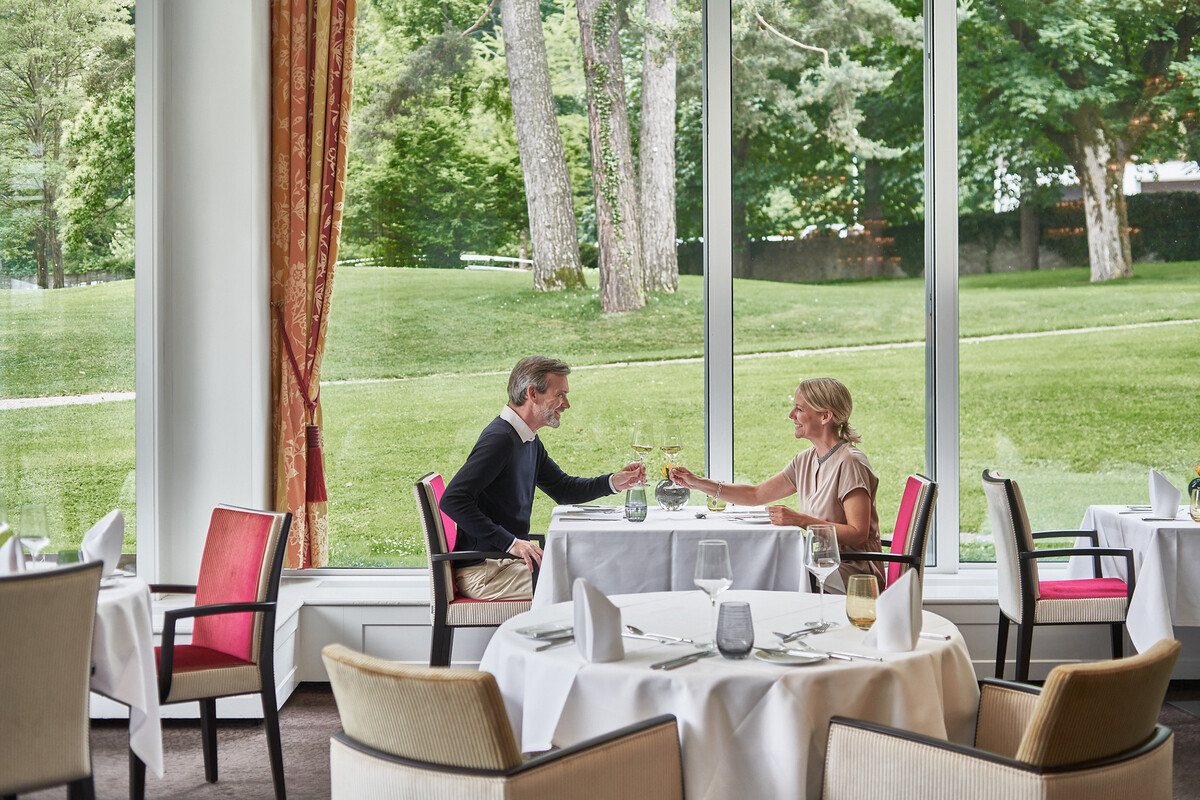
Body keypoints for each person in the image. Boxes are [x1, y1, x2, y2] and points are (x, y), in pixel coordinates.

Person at [441, 356, 645, 600]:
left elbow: (563, 489)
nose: (566, 404)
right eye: (559, 394)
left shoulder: (526, 438)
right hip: (485, 572)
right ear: (532, 393)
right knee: (589, 584)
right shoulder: (501, 440)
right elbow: (452, 499)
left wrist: (613, 482)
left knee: (594, 572)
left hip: (505, 564)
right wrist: (510, 543)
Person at [670, 377, 885, 589]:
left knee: (765, 575)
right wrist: (697, 482)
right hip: (820, 564)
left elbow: (858, 534)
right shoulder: (805, 460)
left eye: (799, 409)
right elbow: (755, 495)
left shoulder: (850, 463)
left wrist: (800, 520)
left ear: (825, 416)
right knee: (757, 571)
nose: (791, 415)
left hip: (852, 574)